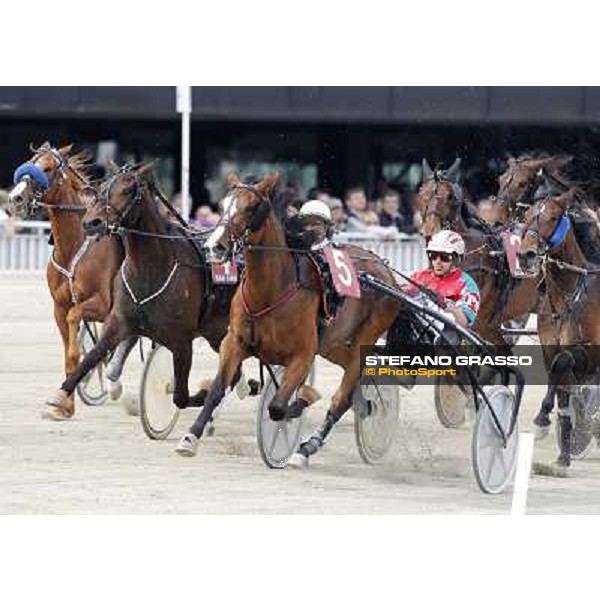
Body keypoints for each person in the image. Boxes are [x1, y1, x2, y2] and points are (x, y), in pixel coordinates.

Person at [404, 230, 480, 328]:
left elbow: (463, 323)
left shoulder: (468, 284)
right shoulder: (419, 276)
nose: (437, 262)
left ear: (456, 259)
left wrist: (445, 303)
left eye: (445, 257)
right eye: (433, 256)